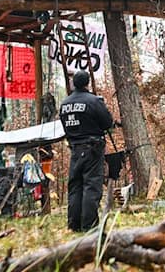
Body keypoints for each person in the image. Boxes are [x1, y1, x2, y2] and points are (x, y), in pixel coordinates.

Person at [59, 70, 114, 231]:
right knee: (91, 185)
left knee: (75, 186)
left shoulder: (65, 104)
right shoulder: (93, 101)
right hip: (92, 149)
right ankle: (89, 226)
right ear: (87, 82)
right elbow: (107, 123)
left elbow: (65, 126)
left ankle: (73, 224)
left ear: (73, 84)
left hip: (75, 149)